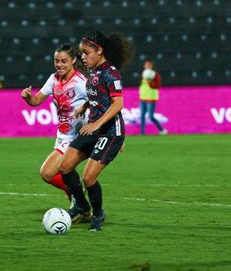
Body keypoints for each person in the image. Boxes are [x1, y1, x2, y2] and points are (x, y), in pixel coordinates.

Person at [59, 30, 134, 231]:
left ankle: (98, 213)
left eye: (86, 52)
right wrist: (85, 106)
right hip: (93, 128)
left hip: (109, 133)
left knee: (88, 177)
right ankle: (82, 206)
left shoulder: (111, 73)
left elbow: (117, 104)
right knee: (65, 167)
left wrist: (97, 124)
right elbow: (99, 98)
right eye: (81, 53)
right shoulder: (95, 73)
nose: (82, 57)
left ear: (99, 51)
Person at [21, 43, 88, 205]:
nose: (59, 64)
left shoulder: (81, 82)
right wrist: (28, 97)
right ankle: (79, 201)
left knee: (47, 173)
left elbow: (102, 101)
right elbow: (36, 100)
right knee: (58, 173)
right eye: (56, 61)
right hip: (63, 136)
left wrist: (115, 131)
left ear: (73, 60)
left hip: (77, 137)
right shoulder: (53, 79)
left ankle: (77, 194)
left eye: (63, 61)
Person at [139, 59, 167, 135]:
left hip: (151, 98)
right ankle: (142, 132)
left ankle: (162, 130)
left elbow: (157, 86)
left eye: (148, 65)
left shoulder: (155, 74)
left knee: (151, 116)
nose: (147, 66)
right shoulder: (144, 74)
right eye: (146, 65)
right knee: (142, 116)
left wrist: (150, 82)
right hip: (143, 98)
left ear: (151, 66)